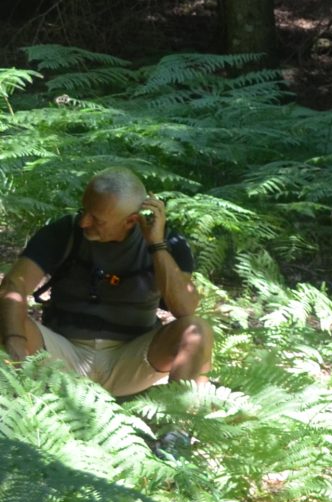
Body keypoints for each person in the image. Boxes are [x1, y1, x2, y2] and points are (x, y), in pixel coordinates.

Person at [1, 168, 214, 396]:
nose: (84, 222)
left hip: (131, 360)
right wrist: (15, 342)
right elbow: (14, 286)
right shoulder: (64, 232)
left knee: (196, 330)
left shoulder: (170, 243)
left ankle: (178, 427)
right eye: (85, 210)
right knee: (5, 312)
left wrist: (156, 245)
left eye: (96, 219)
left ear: (131, 220)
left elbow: (185, 308)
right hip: (60, 355)